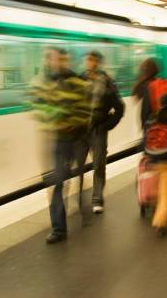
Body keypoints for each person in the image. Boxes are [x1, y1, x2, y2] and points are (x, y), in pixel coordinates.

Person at [31, 47, 91, 244]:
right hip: (59, 139)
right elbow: (37, 106)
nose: (59, 63)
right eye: (55, 59)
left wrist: (71, 121)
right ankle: (59, 228)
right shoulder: (45, 82)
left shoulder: (77, 82)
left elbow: (84, 111)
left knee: (73, 176)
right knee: (57, 182)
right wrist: (53, 115)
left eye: (62, 59)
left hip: (77, 138)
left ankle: (83, 205)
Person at [77, 51, 124, 214]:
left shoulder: (107, 81)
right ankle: (79, 199)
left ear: (98, 63)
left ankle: (97, 199)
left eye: (93, 60)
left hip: (98, 130)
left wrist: (107, 125)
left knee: (98, 165)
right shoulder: (79, 79)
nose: (90, 63)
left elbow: (120, 108)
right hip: (81, 130)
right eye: (88, 60)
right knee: (78, 166)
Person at [143, 93, 167, 233]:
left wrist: (146, 154)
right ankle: (160, 221)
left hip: (152, 157)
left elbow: (145, 137)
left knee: (161, 188)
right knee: (166, 190)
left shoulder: (151, 119)